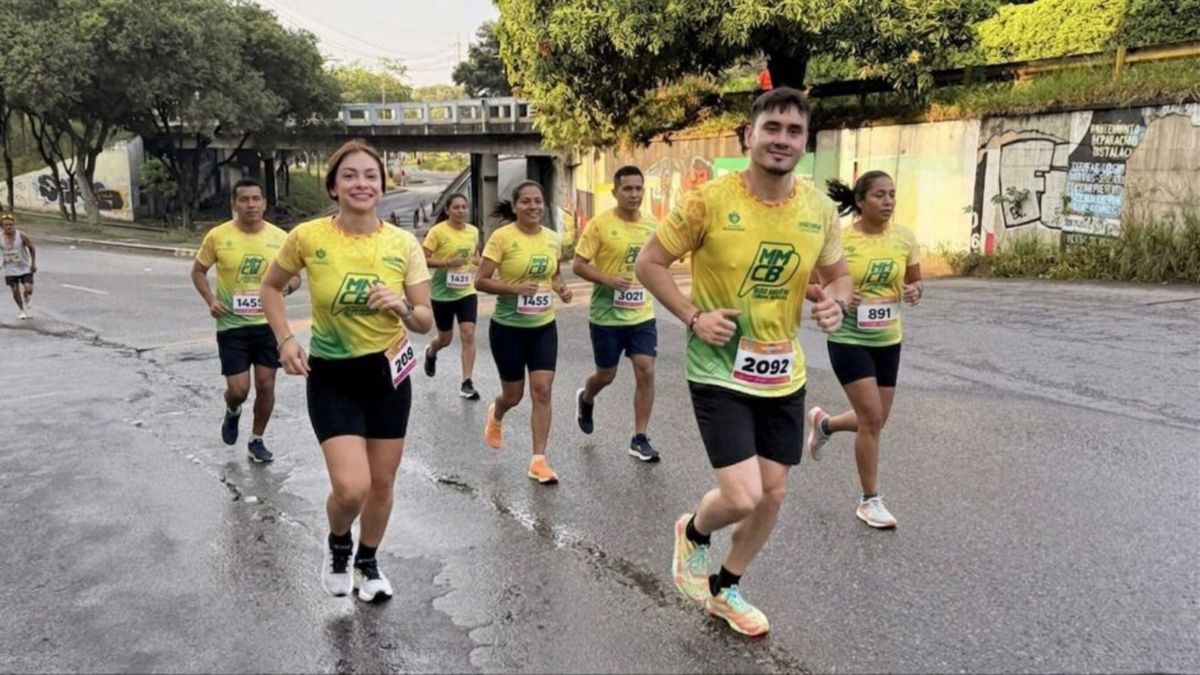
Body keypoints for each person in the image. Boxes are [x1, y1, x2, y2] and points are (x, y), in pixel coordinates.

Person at [636, 87, 852, 637]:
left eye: (794, 131)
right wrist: (691, 316)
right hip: (718, 366)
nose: (782, 139)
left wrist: (836, 302)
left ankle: (726, 587)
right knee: (742, 494)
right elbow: (650, 262)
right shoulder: (707, 201)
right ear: (748, 135)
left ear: (806, 142)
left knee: (773, 492)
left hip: (783, 370)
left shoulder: (818, 209)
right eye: (772, 128)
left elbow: (839, 275)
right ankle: (694, 532)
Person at [260, 140, 433, 602]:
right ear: (334, 186)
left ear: (382, 184)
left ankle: (368, 563)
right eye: (350, 175)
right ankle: (338, 543)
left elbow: (424, 320)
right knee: (351, 486)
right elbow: (271, 287)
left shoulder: (403, 244)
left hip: (387, 374)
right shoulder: (309, 237)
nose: (362, 183)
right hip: (332, 373)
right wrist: (285, 339)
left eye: (370, 175)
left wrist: (399, 305)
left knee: (382, 483)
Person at [805, 172, 922, 529]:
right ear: (860, 202)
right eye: (879, 196)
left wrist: (915, 291)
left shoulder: (904, 238)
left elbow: (914, 281)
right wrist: (833, 295)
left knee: (876, 420)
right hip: (848, 338)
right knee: (871, 418)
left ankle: (825, 424)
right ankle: (869, 500)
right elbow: (808, 283)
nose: (888, 202)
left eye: (892, 195)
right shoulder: (839, 240)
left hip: (888, 339)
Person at [191, 178, 299, 462]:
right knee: (239, 390)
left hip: (267, 325)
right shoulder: (217, 236)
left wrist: (287, 287)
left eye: (256, 199)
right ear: (234, 204)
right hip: (232, 326)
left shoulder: (280, 238)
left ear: (264, 203)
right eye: (244, 199)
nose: (251, 205)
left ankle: (257, 439)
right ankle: (233, 409)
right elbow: (198, 272)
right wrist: (211, 300)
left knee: (266, 384)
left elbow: (296, 276)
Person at [475, 181, 573, 484]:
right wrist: (514, 288)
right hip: (508, 328)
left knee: (542, 390)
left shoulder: (552, 239)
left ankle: (538, 460)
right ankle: (497, 413)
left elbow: (553, 273)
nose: (533, 207)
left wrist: (560, 288)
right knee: (514, 394)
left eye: (538, 201)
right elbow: (481, 281)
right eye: (526, 202)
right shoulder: (501, 238)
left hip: (543, 326)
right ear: (515, 206)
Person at [572, 165, 660, 462]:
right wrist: (608, 280)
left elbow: (659, 261)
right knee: (606, 374)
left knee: (646, 368)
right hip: (606, 316)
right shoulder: (599, 225)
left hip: (641, 314)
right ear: (615, 192)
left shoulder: (652, 224)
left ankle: (639, 437)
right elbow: (578, 264)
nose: (634, 194)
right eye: (628, 189)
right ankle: (586, 397)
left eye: (639, 189)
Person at [422, 192, 482, 400]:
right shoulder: (437, 232)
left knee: (468, 333)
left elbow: (473, 256)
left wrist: (479, 262)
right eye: (456, 207)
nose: (460, 211)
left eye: (464, 207)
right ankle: (432, 350)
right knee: (445, 338)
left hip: (466, 290)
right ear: (447, 210)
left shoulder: (473, 231)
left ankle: (467, 382)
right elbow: (423, 259)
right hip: (442, 293)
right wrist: (446, 263)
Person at [2, 213, 36, 320]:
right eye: (6, 225)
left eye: (11, 225)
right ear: (2, 227)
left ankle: (27, 296)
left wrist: (33, 263)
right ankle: (22, 310)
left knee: (28, 288)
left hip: (24, 267)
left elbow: (32, 248)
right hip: (10, 268)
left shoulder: (21, 236)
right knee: (15, 290)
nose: (9, 227)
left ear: (14, 225)